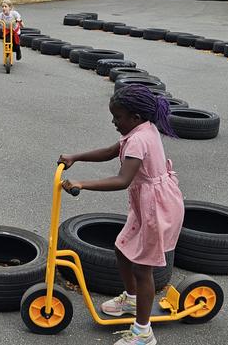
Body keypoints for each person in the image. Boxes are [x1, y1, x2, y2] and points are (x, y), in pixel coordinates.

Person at [58, 84, 184, 345]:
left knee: (142, 268)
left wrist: (83, 183)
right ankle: (132, 298)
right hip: (147, 205)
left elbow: (123, 179)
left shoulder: (140, 138)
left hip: (157, 209)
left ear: (135, 117)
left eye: (118, 117)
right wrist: (75, 157)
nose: (114, 121)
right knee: (122, 247)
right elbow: (111, 151)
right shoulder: (139, 130)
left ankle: (143, 332)